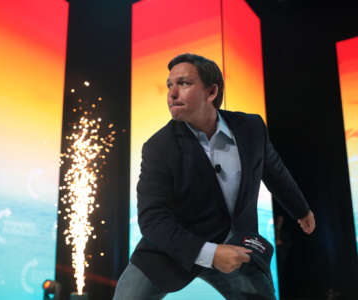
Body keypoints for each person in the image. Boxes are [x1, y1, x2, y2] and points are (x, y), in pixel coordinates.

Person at [113, 53, 316, 300]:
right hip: (174, 248)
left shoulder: (251, 128)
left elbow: (275, 172)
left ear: (211, 92)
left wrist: (301, 210)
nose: (171, 93)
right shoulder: (158, 147)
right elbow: (152, 219)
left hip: (237, 246)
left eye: (183, 83)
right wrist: (210, 253)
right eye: (169, 85)